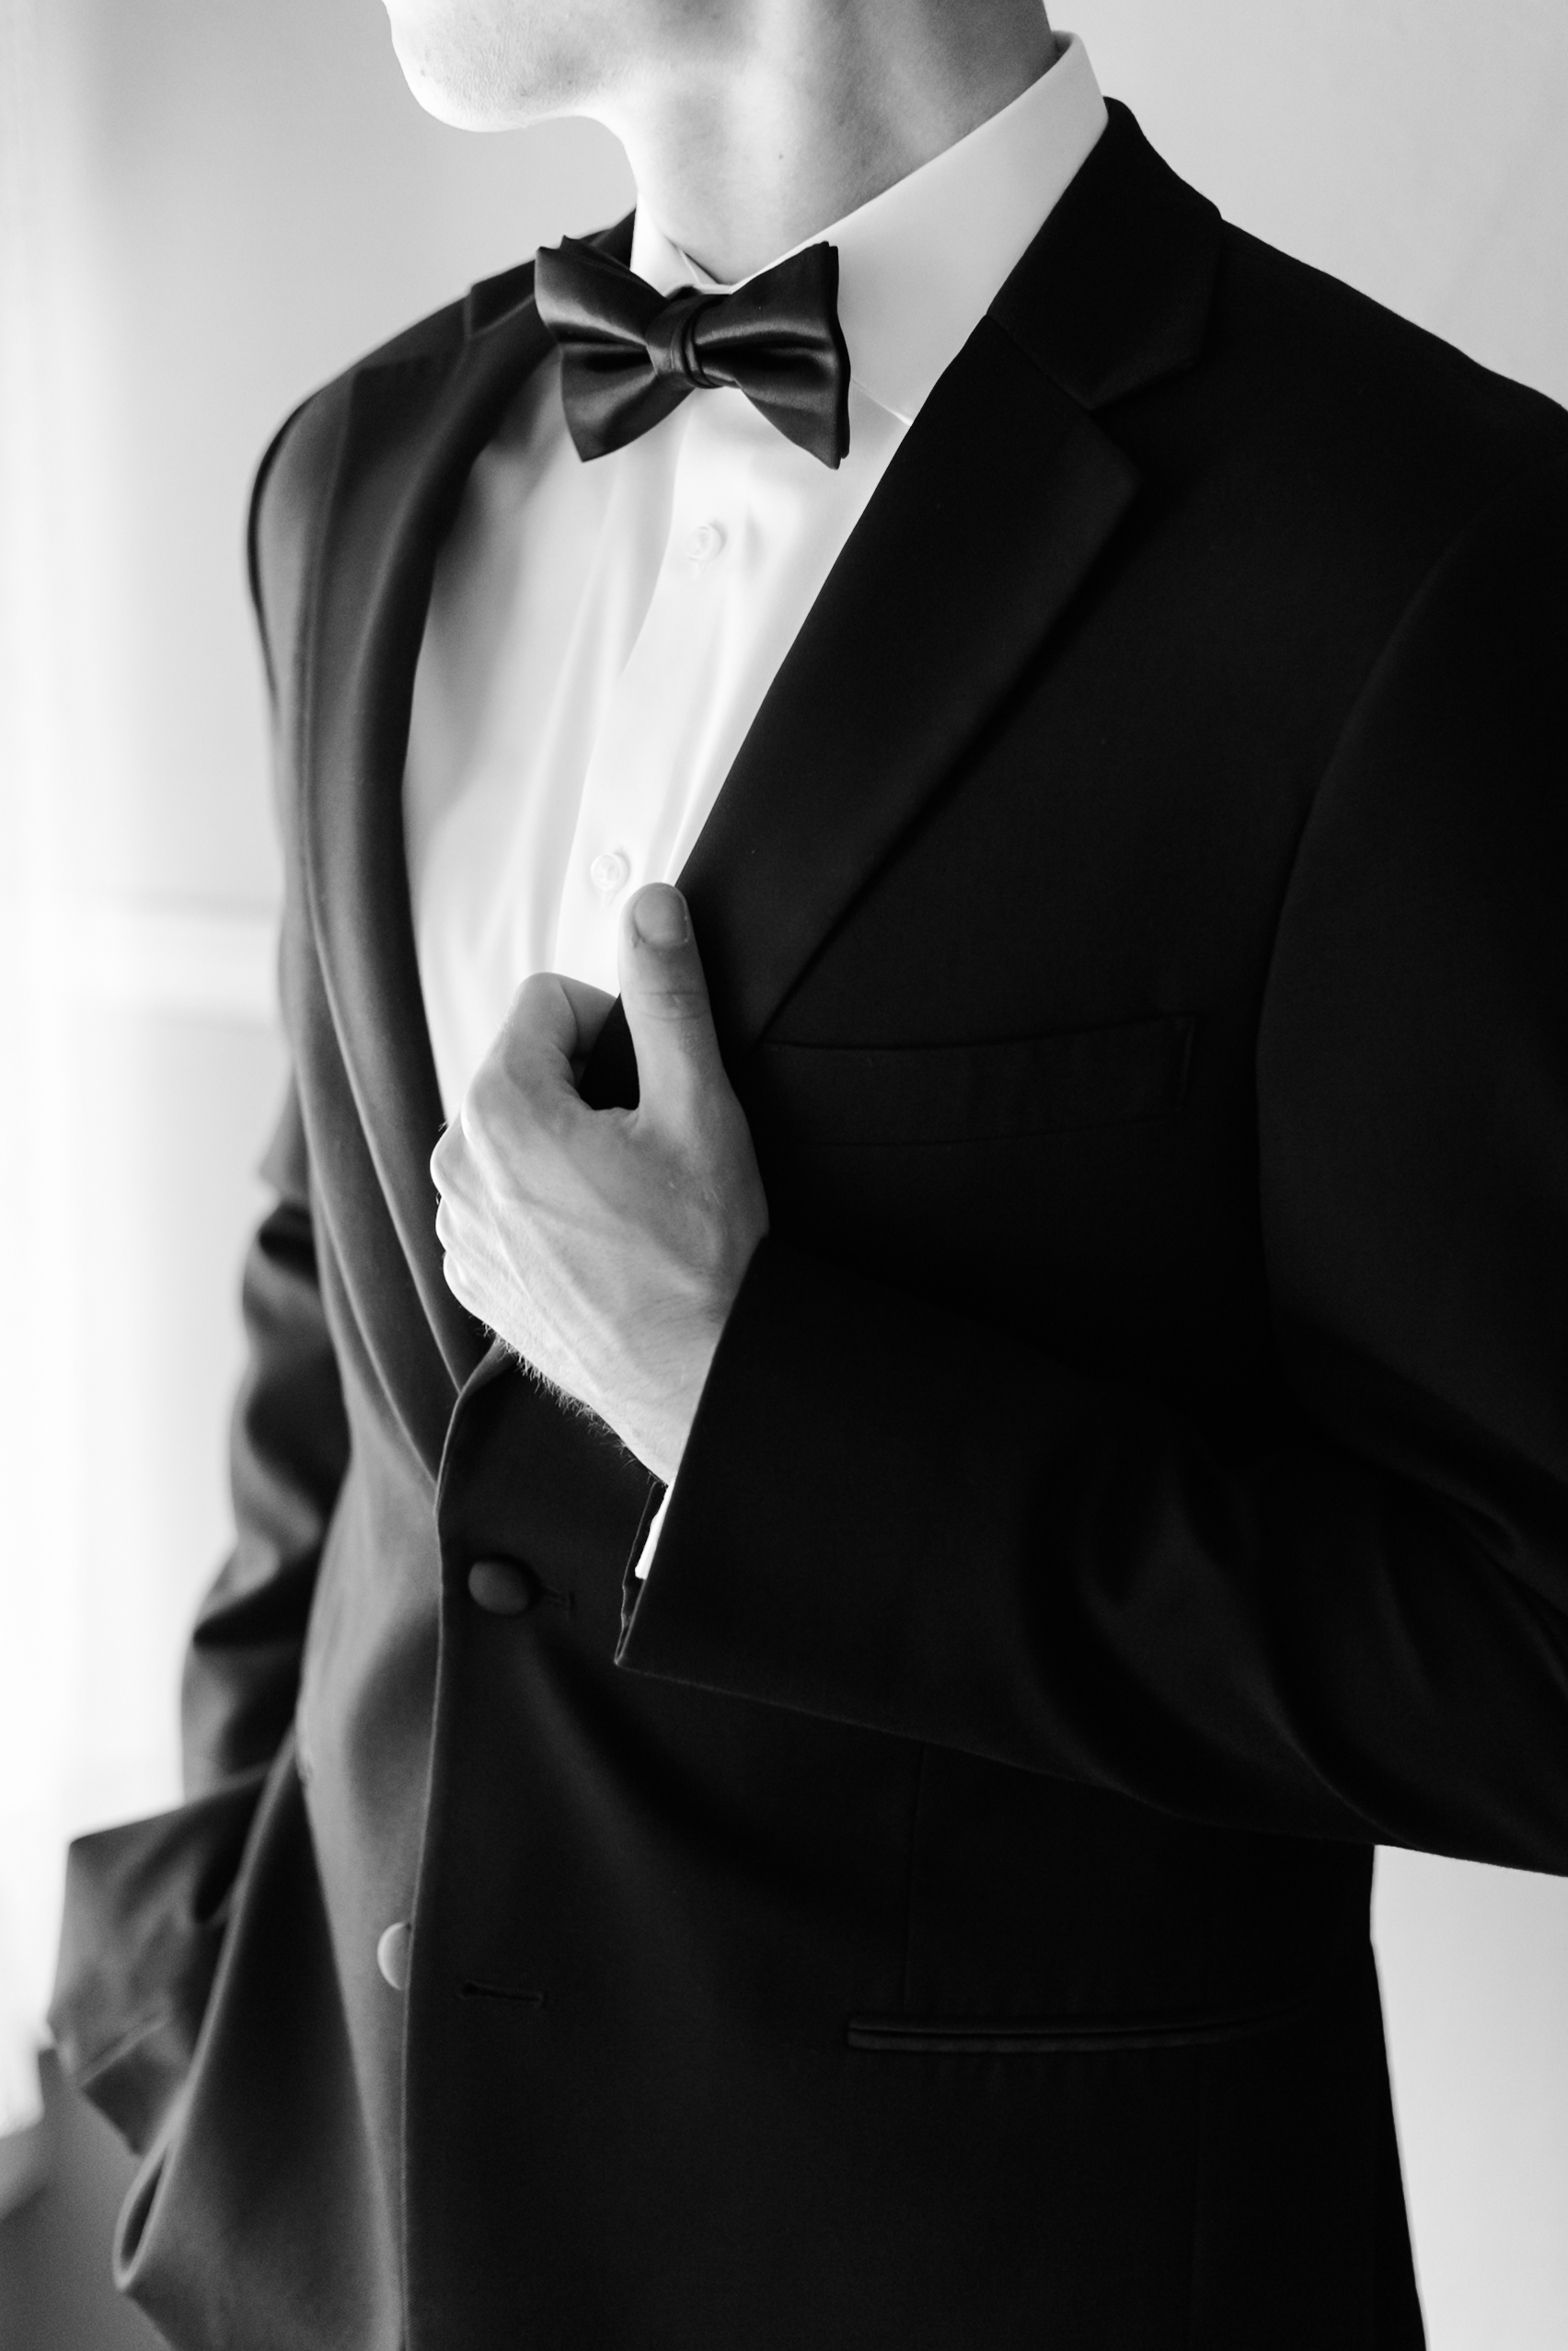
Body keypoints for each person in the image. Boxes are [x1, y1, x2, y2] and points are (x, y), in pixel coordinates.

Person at [48, 1, 1568, 2344]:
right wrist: (172, 2006)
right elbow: (321, 1354)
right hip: (326, 2270)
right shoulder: (351, 473)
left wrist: (752, 1412)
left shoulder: (1429, 558)